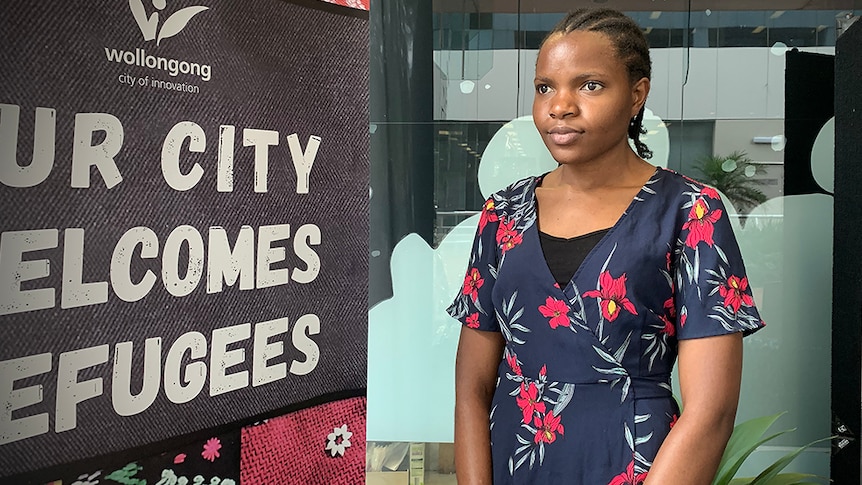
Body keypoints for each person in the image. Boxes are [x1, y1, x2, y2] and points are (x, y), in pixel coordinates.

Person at [448, 8, 765, 484]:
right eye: (545, 87)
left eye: (590, 85)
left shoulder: (691, 211)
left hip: (639, 466)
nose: (560, 106)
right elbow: (471, 387)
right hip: (515, 465)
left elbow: (712, 412)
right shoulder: (503, 213)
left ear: (637, 95)